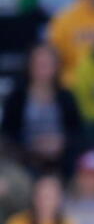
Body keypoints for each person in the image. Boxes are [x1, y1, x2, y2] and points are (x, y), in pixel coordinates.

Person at [1, 44, 85, 179]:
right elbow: (8, 134)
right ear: (29, 65)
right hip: (25, 161)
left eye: (48, 63)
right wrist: (32, 145)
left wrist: (61, 142)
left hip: (63, 161)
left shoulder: (66, 97)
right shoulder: (16, 98)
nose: (43, 68)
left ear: (57, 67)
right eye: (39, 63)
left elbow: (78, 132)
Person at [3, 174, 78, 224]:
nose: (45, 202)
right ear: (33, 197)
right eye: (41, 196)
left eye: (49, 197)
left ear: (59, 200)